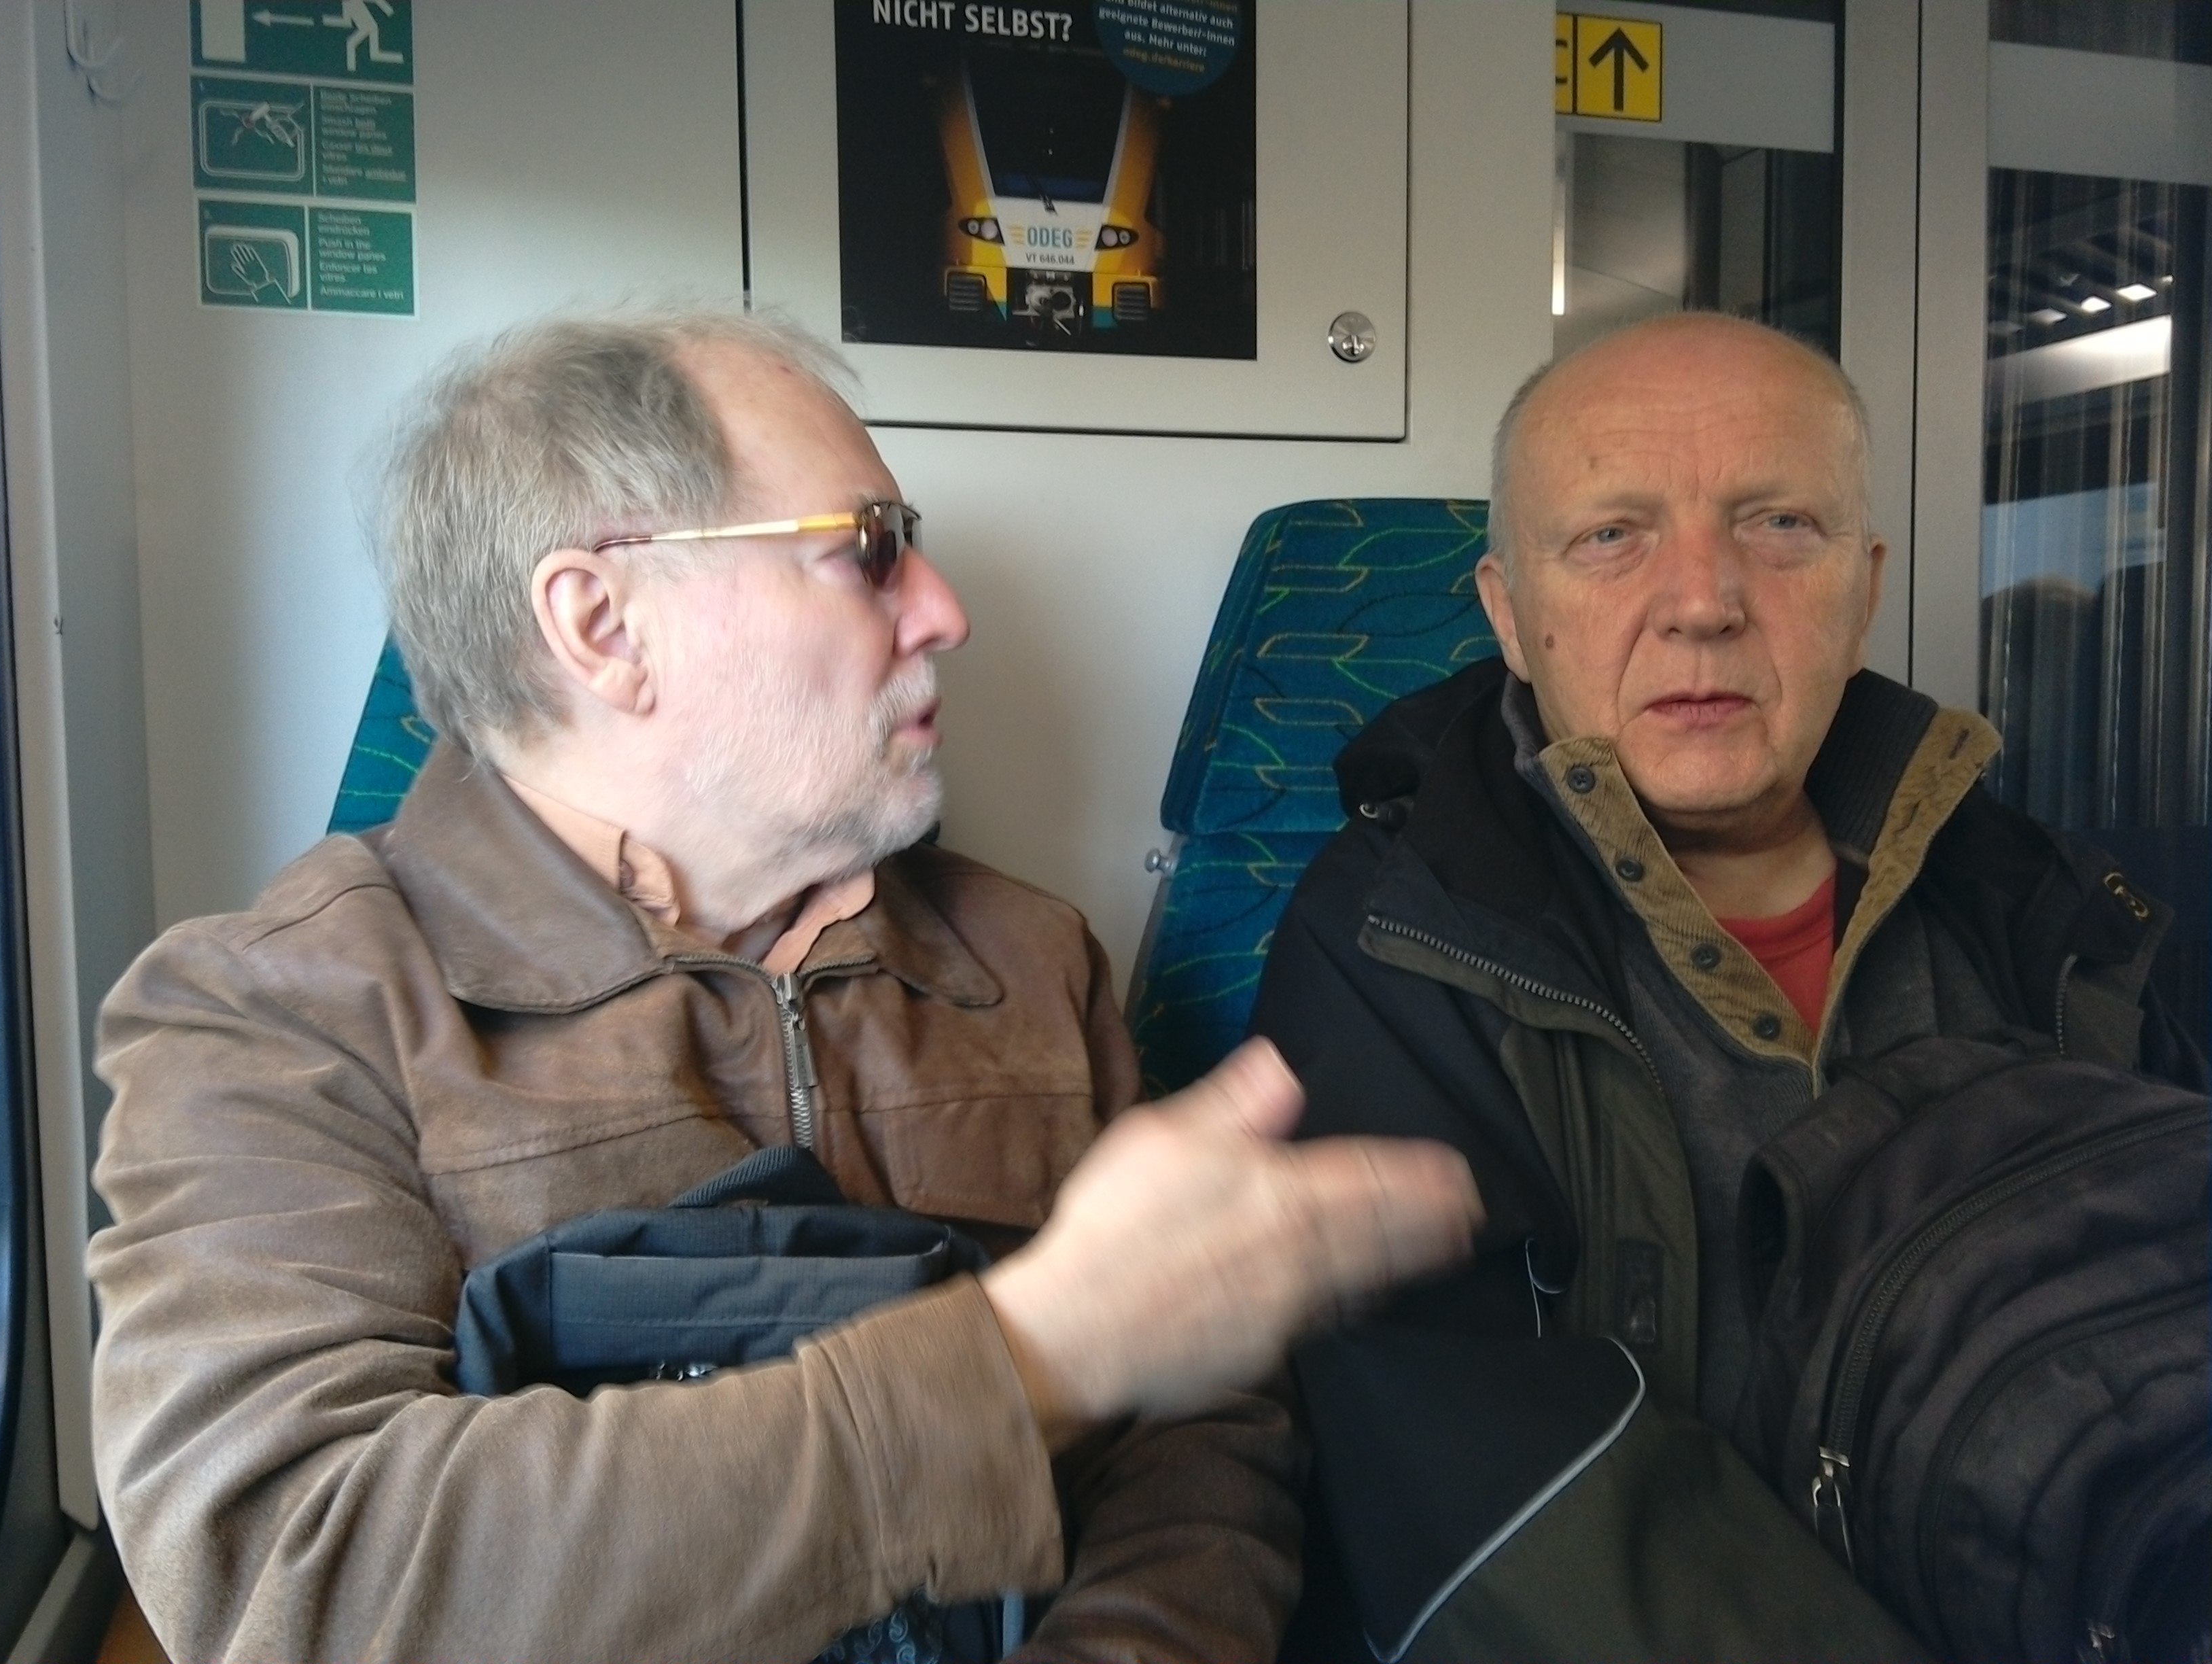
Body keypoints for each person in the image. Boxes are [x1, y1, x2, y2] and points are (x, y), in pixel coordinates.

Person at [86, 311, 1479, 1664]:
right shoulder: (275, 1010)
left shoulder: (1027, 956)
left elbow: (1202, 1438)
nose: (944, 611)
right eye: (870, 550)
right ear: (601, 624)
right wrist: (1029, 1360)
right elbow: (296, 1573)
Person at [1251, 313, 2203, 1660]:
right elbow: (1463, 1485)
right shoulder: (1397, 944)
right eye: (1612, 535)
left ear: (1865, 589)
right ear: (1512, 619)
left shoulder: (2054, 915)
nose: (1704, 599)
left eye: (1779, 526)